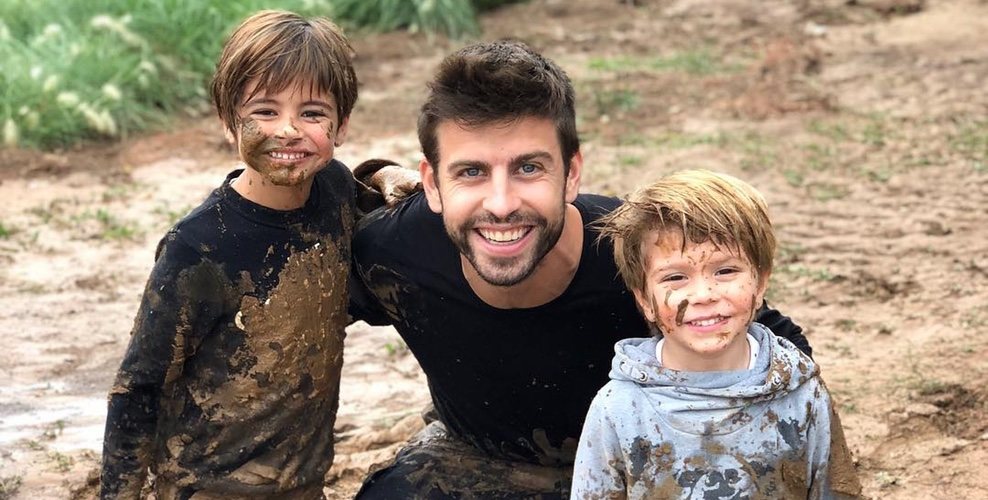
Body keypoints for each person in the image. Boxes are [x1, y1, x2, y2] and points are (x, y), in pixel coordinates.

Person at [348, 41, 812, 498]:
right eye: (470, 172)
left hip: (639, 462)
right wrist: (372, 174)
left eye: (529, 168)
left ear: (571, 173)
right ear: (432, 183)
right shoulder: (391, 251)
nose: (502, 204)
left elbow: (784, 352)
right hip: (474, 455)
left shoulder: (637, 255)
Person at [100, 10, 358, 498]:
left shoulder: (337, 193)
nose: (288, 130)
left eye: (312, 113)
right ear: (228, 122)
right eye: (264, 111)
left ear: (340, 124)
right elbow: (140, 388)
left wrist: (387, 175)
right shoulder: (197, 248)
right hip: (209, 486)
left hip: (304, 484)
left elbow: (370, 199)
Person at [570, 169, 862, 499]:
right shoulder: (618, 409)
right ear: (644, 300)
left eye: (725, 271)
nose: (704, 294)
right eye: (675, 277)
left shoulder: (804, 396)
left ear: (760, 283)